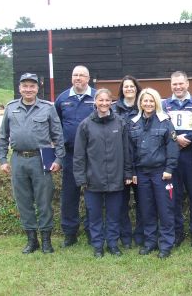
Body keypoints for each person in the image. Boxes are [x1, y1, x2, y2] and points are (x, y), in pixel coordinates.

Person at [0, 73, 65, 254]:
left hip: (41, 159)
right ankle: (31, 240)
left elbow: (58, 135)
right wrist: (3, 160)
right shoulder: (11, 108)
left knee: (44, 201)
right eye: (25, 86)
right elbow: (3, 136)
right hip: (18, 159)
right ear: (20, 88)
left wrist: (58, 159)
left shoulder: (47, 108)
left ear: (37, 88)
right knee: (23, 202)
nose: (28, 89)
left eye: (32, 86)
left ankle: (46, 241)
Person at [73, 88, 132, 257]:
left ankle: (113, 244)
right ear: (95, 102)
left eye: (107, 100)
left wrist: (128, 173)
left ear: (112, 102)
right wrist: (81, 178)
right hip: (93, 179)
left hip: (116, 178)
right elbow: (79, 155)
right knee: (95, 215)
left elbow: (127, 151)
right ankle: (98, 245)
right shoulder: (85, 125)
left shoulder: (120, 123)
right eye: (101, 100)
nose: (104, 103)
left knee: (114, 215)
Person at [129, 88, 179, 259]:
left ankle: (166, 244)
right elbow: (130, 150)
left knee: (165, 210)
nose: (148, 104)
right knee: (146, 210)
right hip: (142, 174)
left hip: (161, 173)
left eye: (151, 101)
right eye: (145, 101)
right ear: (140, 103)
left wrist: (169, 169)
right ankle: (150, 242)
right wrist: (133, 171)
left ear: (156, 102)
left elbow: (172, 148)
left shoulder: (165, 121)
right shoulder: (134, 123)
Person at [162, 71, 192, 248]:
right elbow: (161, 127)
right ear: (171, 85)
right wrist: (175, 138)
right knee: (174, 197)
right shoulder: (164, 104)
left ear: (187, 84)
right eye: (174, 84)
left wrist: (188, 138)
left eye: (181, 84)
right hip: (172, 158)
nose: (178, 87)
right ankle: (177, 232)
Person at [55, 65, 96, 247]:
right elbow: (55, 125)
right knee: (69, 195)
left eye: (81, 75)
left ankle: (91, 231)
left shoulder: (96, 97)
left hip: (93, 155)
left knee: (92, 194)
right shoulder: (62, 99)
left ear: (88, 78)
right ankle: (70, 233)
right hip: (70, 155)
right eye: (75, 75)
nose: (78, 78)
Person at [112, 75, 144, 249]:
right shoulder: (114, 109)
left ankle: (140, 235)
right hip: (121, 162)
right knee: (121, 202)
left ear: (136, 88)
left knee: (143, 202)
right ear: (121, 90)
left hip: (141, 162)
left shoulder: (145, 107)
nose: (129, 89)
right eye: (126, 87)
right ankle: (125, 236)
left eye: (132, 86)